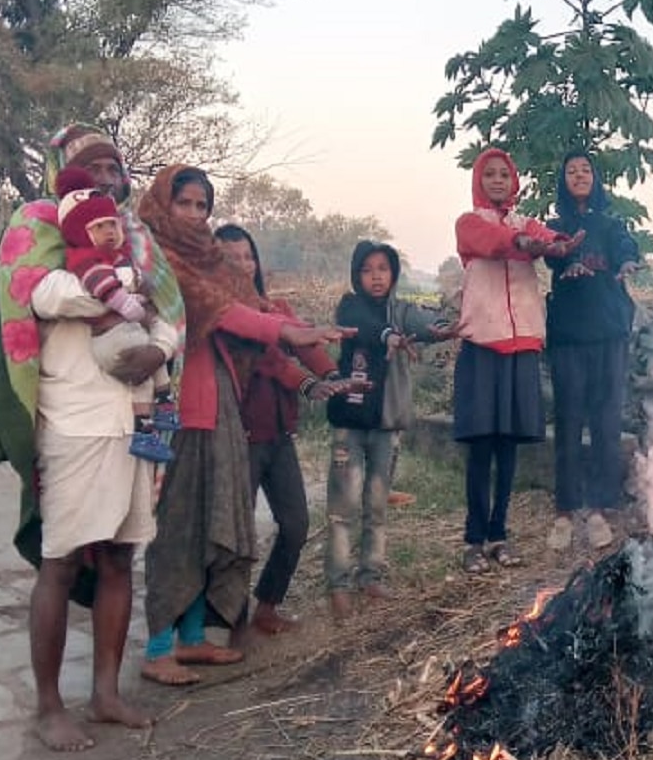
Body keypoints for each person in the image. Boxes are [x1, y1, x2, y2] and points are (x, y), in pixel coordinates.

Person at [0, 123, 185, 750]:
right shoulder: (38, 222)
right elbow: (38, 292)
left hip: (139, 417)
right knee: (60, 558)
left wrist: (157, 348)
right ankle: (49, 706)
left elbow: (174, 314)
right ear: (63, 171)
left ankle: (104, 694)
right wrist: (123, 290)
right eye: (91, 166)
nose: (106, 177)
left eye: (113, 166)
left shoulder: (139, 237)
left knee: (124, 557)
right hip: (74, 419)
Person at [138, 166, 348, 685]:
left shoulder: (211, 259)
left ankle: (191, 641)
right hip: (180, 410)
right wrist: (290, 330)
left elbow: (257, 307)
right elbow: (233, 316)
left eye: (201, 206)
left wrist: (307, 341)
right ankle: (158, 647)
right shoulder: (157, 258)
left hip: (222, 406)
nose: (192, 215)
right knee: (178, 530)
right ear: (164, 204)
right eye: (184, 203)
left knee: (213, 525)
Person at [215, 224, 357, 634]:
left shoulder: (274, 307)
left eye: (248, 256)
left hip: (278, 433)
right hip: (239, 434)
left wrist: (334, 375)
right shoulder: (224, 314)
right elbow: (269, 360)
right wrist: (309, 384)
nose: (243, 265)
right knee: (236, 535)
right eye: (231, 258)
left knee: (295, 524)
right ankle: (231, 620)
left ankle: (266, 607)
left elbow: (305, 345)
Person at [451, 149, 582, 573]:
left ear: (514, 182)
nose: (496, 181)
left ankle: (498, 535)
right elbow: (491, 244)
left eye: (503, 174)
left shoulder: (526, 222)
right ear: (478, 182)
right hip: (483, 345)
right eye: (488, 174)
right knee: (481, 446)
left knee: (508, 446)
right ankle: (474, 538)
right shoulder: (469, 224)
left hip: (522, 343)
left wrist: (560, 247)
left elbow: (545, 238)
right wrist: (524, 244)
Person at [324, 239, 446, 617]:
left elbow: (420, 322)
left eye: (383, 269)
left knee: (376, 505)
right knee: (342, 509)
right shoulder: (350, 306)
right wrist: (389, 337)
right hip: (349, 422)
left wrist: (442, 327)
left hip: (385, 425)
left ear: (393, 274)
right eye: (368, 269)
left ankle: (371, 575)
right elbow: (366, 327)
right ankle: (338, 583)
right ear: (357, 275)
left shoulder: (401, 309)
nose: (376, 276)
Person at [544, 151, 641, 552]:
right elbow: (550, 253)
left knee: (605, 420)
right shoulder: (555, 226)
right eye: (571, 171)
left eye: (586, 170)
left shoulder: (611, 224)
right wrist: (566, 260)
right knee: (568, 420)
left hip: (608, 333)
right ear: (563, 181)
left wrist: (627, 264)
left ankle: (600, 508)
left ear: (596, 179)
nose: (579, 175)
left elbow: (626, 248)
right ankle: (566, 509)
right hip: (568, 334)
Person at [54, 166, 179, 463]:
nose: (109, 231)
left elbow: (148, 296)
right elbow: (88, 288)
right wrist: (125, 300)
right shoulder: (81, 254)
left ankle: (159, 411)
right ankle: (150, 423)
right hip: (88, 396)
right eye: (99, 226)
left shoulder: (128, 247)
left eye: (112, 224)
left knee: (151, 364)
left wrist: (143, 292)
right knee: (146, 370)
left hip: (130, 335)